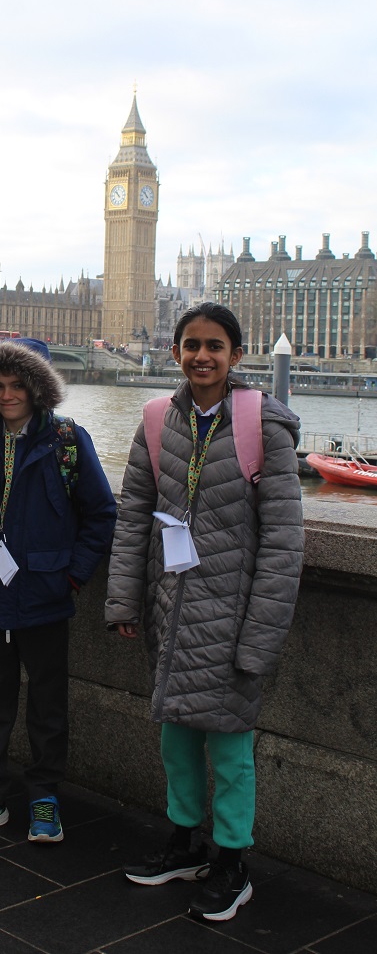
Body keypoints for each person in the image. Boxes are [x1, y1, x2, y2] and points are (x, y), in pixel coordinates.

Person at [105, 302, 304, 921]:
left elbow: (283, 541)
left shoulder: (262, 427)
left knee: (231, 750)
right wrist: (122, 600)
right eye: (191, 345)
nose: (202, 356)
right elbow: (134, 512)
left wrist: (260, 638)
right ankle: (184, 841)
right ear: (176, 353)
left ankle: (231, 861)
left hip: (233, 613)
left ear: (236, 356)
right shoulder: (157, 419)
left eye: (215, 346)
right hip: (170, 606)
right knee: (176, 739)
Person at [0, 338, 116, 842]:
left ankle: (44, 795)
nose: (6, 394)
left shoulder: (66, 440)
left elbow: (101, 513)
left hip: (44, 591)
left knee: (47, 702)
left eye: (17, 384)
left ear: (38, 388)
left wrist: (73, 575)